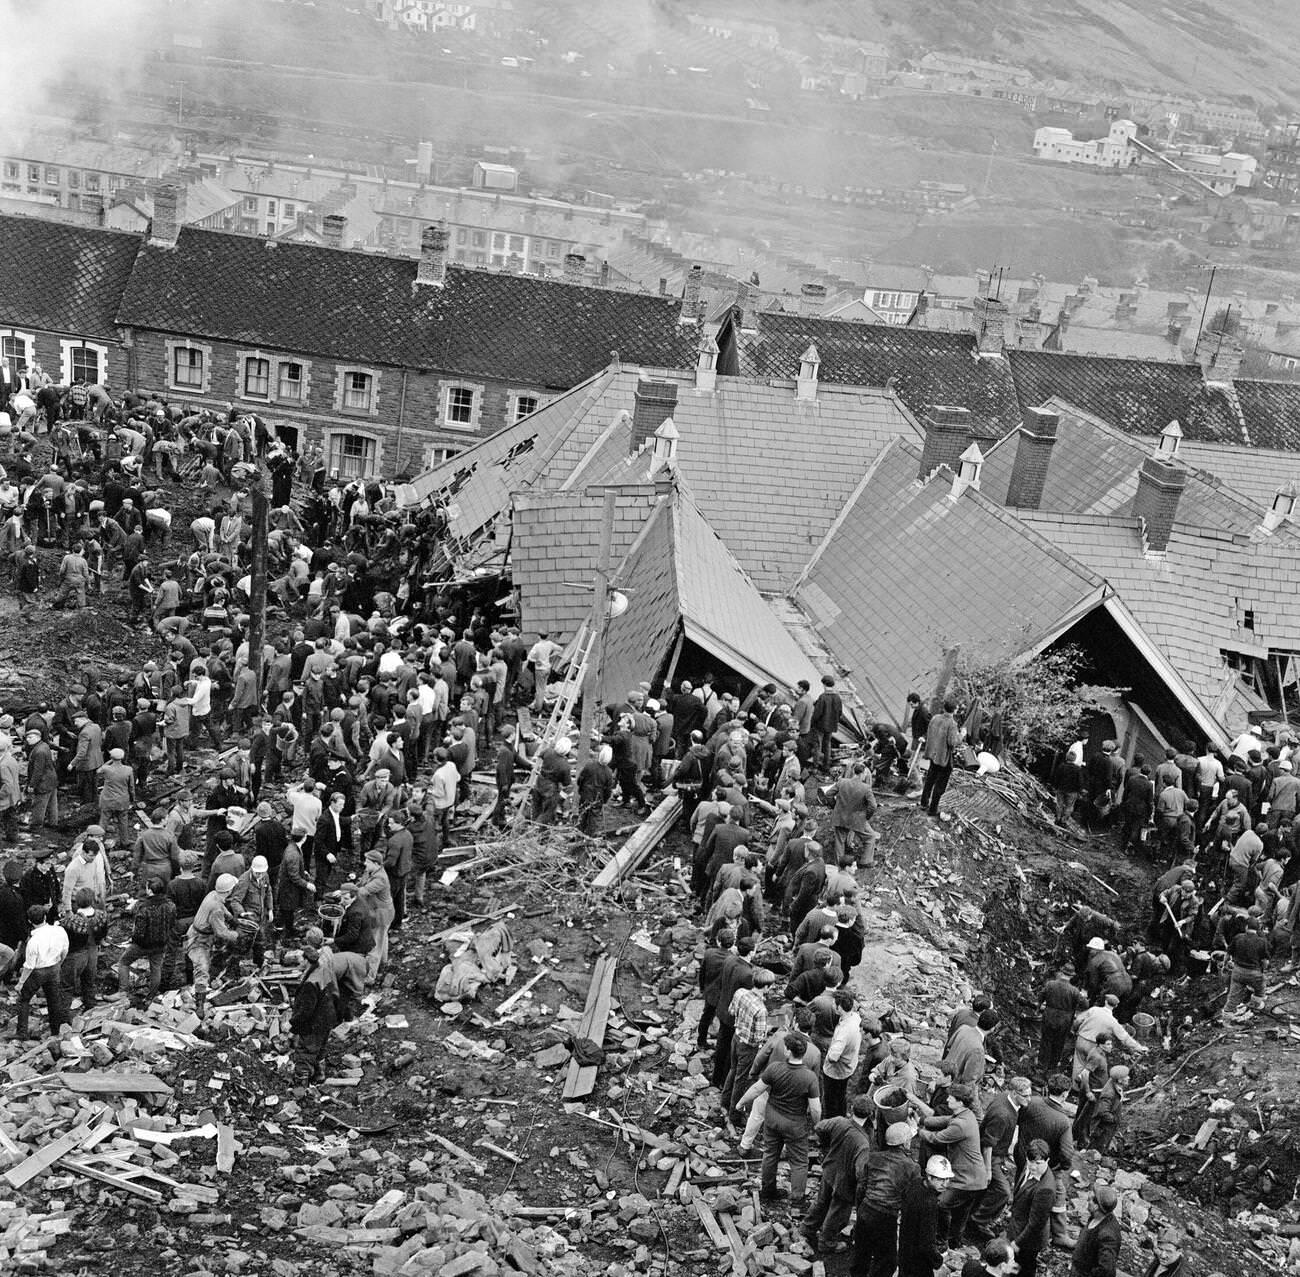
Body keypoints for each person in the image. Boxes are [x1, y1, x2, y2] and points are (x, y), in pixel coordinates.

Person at [737, 1030, 821, 1205]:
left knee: (770, 1154)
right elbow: (815, 1108)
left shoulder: (774, 1069)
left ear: (788, 1052)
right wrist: (817, 1126)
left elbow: (756, 1089)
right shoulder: (810, 1077)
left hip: (773, 1118)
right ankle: (797, 1198)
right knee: (799, 1162)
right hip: (795, 1123)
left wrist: (740, 1103)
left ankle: (767, 1191)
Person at [909, 1081, 988, 1251]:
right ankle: (955, 1242)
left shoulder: (961, 1124)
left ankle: (940, 1241)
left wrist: (916, 1129)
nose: (947, 1100)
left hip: (967, 1179)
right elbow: (941, 1120)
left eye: (951, 1098)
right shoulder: (965, 1115)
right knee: (960, 1212)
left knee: (941, 1204)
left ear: (960, 1102)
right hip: (974, 1177)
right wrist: (922, 1119)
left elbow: (936, 1138)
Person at [802, 1094, 873, 1255]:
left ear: (851, 1109)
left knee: (821, 1202)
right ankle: (827, 1242)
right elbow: (861, 1172)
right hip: (845, 1182)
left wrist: (826, 1144)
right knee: (838, 1213)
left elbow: (819, 1127)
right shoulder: (863, 1143)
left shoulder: (840, 1122)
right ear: (870, 1115)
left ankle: (807, 1228)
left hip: (829, 1169)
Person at [967, 1076, 1032, 1241]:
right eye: (1025, 1096)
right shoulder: (1002, 1114)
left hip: (999, 1153)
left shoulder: (1006, 1098)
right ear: (1014, 1093)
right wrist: (988, 1170)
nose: (1029, 1099)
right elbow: (988, 1144)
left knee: (989, 1189)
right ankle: (978, 1221)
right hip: (991, 1156)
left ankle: (976, 1213)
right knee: (1003, 1191)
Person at [1016, 1075, 1078, 1249]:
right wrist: (1062, 1167)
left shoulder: (1032, 1102)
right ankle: (1059, 1234)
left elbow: (1018, 1121)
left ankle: (1019, 1221)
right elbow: (1067, 1153)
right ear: (1065, 1095)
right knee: (1058, 1193)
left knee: (1022, 1188)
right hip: (1045, 1165)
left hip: (1023, 1157)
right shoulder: (1063, 1121)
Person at [185, 873, 239, 1020]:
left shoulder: (213, 894)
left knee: (193, 962)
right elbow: (221, 933)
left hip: (197, 932)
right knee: (202, 969)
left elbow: (223, 909)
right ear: (229, 891)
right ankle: (200, 1005)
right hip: (199, 939)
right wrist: (237, 935)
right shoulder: (216, 909)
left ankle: (188, 980)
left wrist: (231, 919)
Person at [116, 877, 176, 1006]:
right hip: (161, 943)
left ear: (149, 890)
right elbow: (171, 923)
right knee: (156, 969)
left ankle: (123, 992)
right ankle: (150, 997)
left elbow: (139, 932)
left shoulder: (143, 907)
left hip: (143, 944)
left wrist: (135, 942)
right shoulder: (170, 905)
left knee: (123, 962)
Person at [291, 939, 340, 1085]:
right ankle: (319, 1076)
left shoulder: (310, 983)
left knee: (304, 1053)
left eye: (300, 959)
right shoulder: (322, 970)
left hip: (315, 1022)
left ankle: (300, 1091)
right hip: (327, 1018)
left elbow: (306, 1010)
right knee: (320, 1048)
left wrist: (292, 1023)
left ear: (307, 961)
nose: (298, 962)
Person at [17, 903, 69, 1039]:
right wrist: (59, 963)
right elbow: (65, 949)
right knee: (54, 999)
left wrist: (21, 982)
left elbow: (29, 965)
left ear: (29, 921)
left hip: (38, 972)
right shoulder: (59, 931)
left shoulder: (33, 941)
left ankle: (22, 1032)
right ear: (45, 917)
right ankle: (55, 1031)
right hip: (54, 966)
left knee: (24, 998)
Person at [1007, 1138, 1055, 1277]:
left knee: (1025, 1267)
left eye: (1038, 1163)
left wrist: (1017, 1242)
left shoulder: (1046, 1189)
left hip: (1029, 1239)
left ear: (1047, 1161)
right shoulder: (1028, 1166)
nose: (1033, 1167)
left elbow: (1036, 1224)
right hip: (1018, 1224)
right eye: (1030, 1161)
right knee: (1015, 1266)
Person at [898, 1154, 952, 1277]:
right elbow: (926, 1243)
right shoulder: (929, 1203)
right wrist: (938, 1261)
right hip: (918, 1261)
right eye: (940, 1179)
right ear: (929, 1177)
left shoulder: (916, 1184)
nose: (945, 1183)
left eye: (947, 1179)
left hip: (904, 1248)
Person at [60, 886, 108, 1011]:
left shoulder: (71, 921)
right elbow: (103, 934)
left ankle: (63, 1017)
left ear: (77, 902)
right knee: (89, 982)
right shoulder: (102, 916)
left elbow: (64, 940)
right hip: (93, 951)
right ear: (92, 900)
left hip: (76, 954)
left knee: (67, 985)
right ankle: (90, 1009)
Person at [825, 761, 879, 866]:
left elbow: (828, 794)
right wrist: (866, 816)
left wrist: (835, 806)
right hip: (857, 819)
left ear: (854, 772)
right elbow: (873, 806)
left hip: (840, 816)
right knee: (870, 837)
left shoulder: (842, 782)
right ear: (863, 774)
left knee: (840, 842)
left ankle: (840, 867)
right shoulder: (866, 788)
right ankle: (866, 861)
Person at [821, 988, 862, 1119]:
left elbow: (833, 1057)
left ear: (839, 1007)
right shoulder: (855, 1017)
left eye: (834, 1003)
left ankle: (831, 1123)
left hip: (835, 1072)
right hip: (849, 1065)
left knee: (831, 1100)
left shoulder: (844, 1032)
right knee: (841, 1095)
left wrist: (828, 1054)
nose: (832, 1005)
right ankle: (842, 1115)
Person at [920, 698, 962, 818]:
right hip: (944, 758)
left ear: (944, 708)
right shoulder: (952, 724)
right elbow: (952, 742)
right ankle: (932, 810)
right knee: (940, 785)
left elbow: (930, 734)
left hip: (933, 755)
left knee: (930, 779)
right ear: (955, 710)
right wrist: (961, 735)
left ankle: (923, 803)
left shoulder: (935, 718)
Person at [1070, 1185, 1122, 1277]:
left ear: (1096, 1206)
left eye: (1090, 1200)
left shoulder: (1107, 1236)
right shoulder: (1095, 1217)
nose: (1087, 1201)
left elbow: (1105, 1269)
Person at [810, 676, 842, 771]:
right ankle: (826, 765)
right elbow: (840, 712)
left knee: (817, 746)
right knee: (827, 744)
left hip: (820, 726)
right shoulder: (837, 697)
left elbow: (817, 713)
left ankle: (815, 766)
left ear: (824, 684)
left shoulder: (823, 697)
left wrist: (812, 722)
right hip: (831, 725)